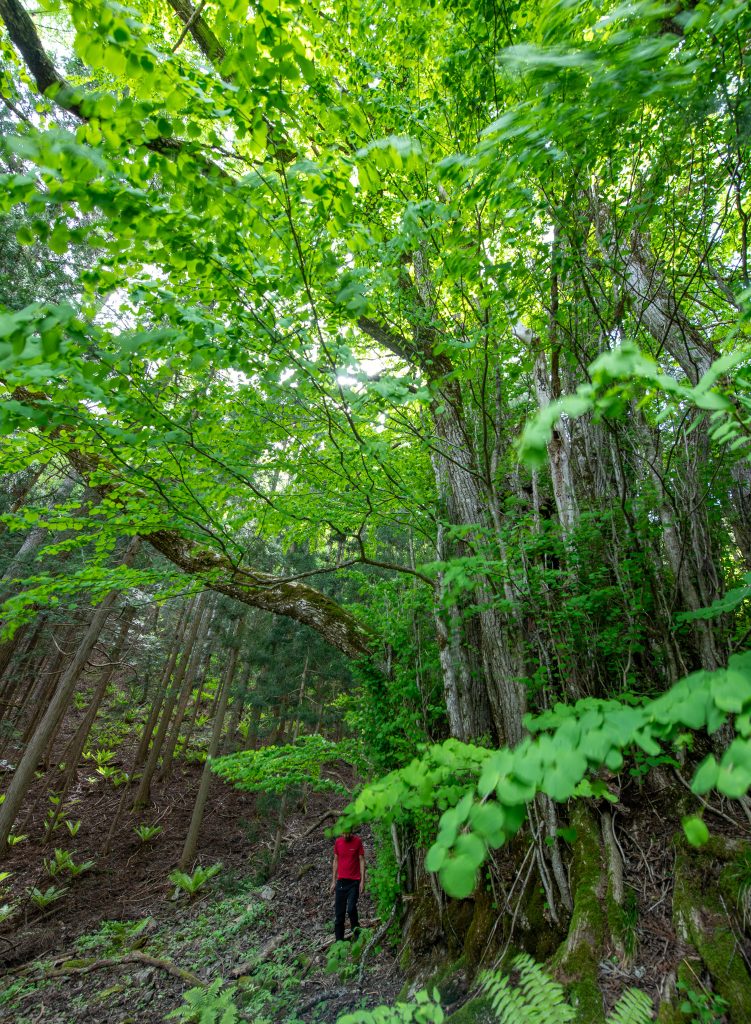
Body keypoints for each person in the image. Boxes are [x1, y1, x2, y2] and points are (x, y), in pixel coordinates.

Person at [331, 830, 365, 941]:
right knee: (339, 915)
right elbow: (335, 860)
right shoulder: (338, 842)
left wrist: (362, 881)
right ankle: (338, 942)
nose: (346, 836)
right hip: (341, 883)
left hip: (354, 883)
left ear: (352, 831)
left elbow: (361, 860)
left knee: (351, 909)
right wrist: (333, 881)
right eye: (344, 833)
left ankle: (357, 935)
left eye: (348, 833)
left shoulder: (357, 841)